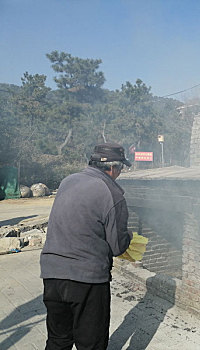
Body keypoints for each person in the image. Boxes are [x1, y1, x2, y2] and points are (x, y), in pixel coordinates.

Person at [40, 142, 133, 350]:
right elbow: (118, 247)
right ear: (113, 167)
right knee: (91, 344)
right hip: (87, 280)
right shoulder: (113, 193)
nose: (120, 173)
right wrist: (129, 236)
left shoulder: (68, 181)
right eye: (120, 168)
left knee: (58, 340)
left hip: (52, 275)